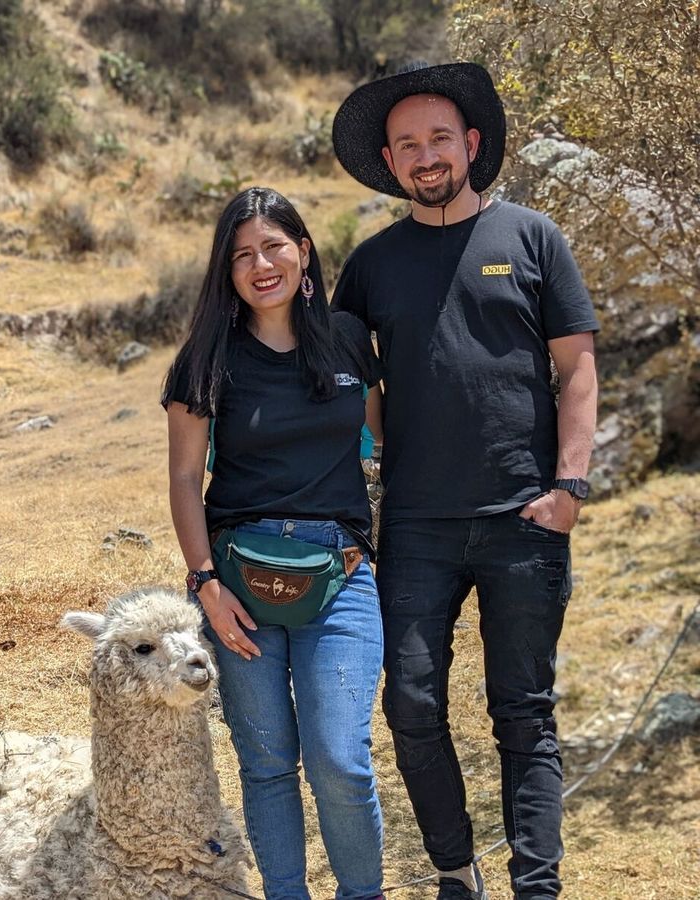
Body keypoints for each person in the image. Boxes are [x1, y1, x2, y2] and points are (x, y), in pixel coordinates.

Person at [330, 62, 599, 900]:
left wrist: (569, 489)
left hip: (525, 517)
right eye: (408, 144)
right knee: (410, 706)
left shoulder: (532, 237)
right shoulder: (370, 265)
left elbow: (578, 367)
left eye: (439, 137)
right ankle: (456, 870)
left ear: (471, 143)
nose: (426, 155)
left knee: (523, 712)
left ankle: (538, 886)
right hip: (414, 527)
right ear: (390, 161)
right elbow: (351, 383)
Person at [162, 186, 386, 900]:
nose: (261, 265)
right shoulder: (206, 358)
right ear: (226, 272)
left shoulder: (350, 339)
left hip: (343, 575)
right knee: (265, 764)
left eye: (274, 247)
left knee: (339, 759)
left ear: (304, 252)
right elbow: (182, 478)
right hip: (239, 585)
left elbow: (382, 440)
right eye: (243, 255)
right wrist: (206, 587)